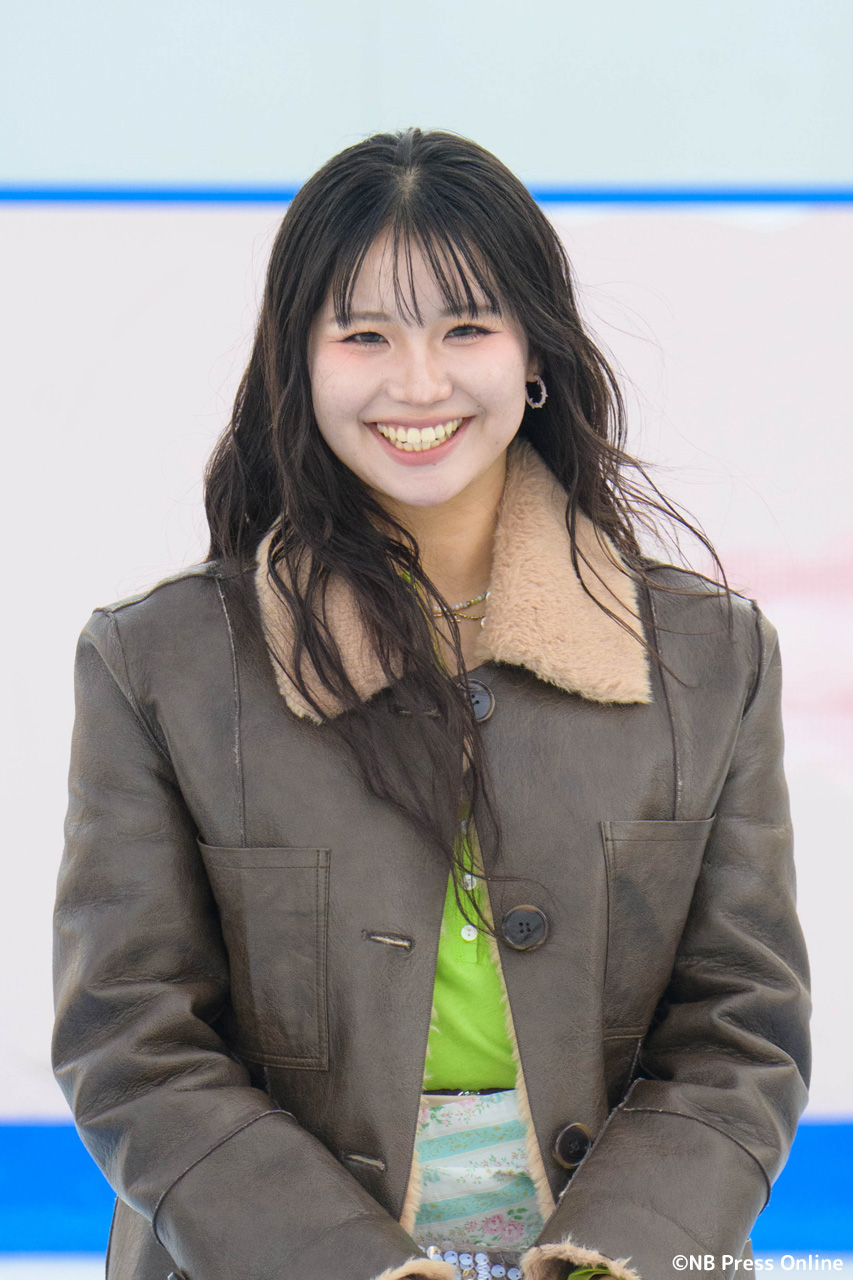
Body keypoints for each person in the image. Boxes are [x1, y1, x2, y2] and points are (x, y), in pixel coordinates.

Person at [52, 127, 811, 1280]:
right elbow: (132, 1040)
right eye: (364, 335)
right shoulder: (157, 663)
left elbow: (740, 1030)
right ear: (299, 362)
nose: (418, 383)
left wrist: (608, 1262)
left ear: (534, 353)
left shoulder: (711, 657)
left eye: (466, 329)